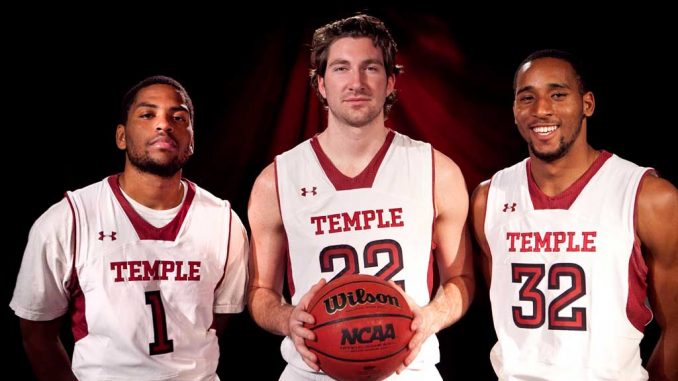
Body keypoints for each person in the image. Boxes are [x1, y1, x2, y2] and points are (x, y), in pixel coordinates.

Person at [247, 14, 473, 381]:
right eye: (340, 68)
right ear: (320, 84)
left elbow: (461, 278)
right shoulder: (276, 180)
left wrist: (430, 317)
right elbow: (259, 292)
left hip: (409, 371)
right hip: (311, 372)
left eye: (370, 68)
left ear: (390, 82)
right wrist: (288, 319)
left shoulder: (437, 171)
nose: (356, 82)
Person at [9, 75, 249, 381]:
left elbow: (216, 321)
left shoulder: (224, 222)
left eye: (178, 117)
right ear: (121, 136)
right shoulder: (69, 218)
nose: (164, 124)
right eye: (148, 115)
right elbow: (36, 333)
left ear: (191, 141)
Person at [470, 49, 678, 380]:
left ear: (587, 104)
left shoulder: (649, 197)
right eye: (527, 97)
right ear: (514, 110)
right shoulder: (488, 199)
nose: (541, 109)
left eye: (558, 94)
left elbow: (676, 327)